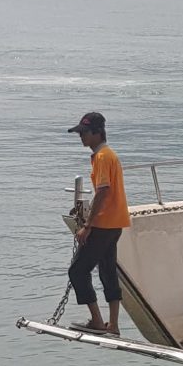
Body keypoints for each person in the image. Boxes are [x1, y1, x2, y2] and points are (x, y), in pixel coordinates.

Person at [66, 110, 130, 334]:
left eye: (84, 133)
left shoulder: (102, 157)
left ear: (97, 133)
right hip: (116, 223)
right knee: (107, 272)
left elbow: (103, 191)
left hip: (103, 225)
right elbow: (106, 193)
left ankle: (96, 320)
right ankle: (113, 324)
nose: (81, 137)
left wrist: (87, 226)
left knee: (77, 271)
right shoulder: (109, 155)